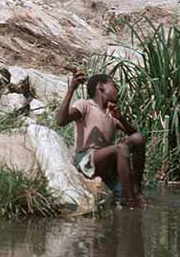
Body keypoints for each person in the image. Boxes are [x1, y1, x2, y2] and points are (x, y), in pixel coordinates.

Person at [57, 70, 147, 208]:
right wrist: (71, 89)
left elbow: (136, 138)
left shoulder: (112, 113)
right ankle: (131, 203)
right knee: (121, 148)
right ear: (100, 86)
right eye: (114, 86)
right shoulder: (85, 105)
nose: (118, 90)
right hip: (87, 159)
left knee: (138, 138)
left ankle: (136, 190)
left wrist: (120, 118)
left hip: (107, 161)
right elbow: (61, 120)